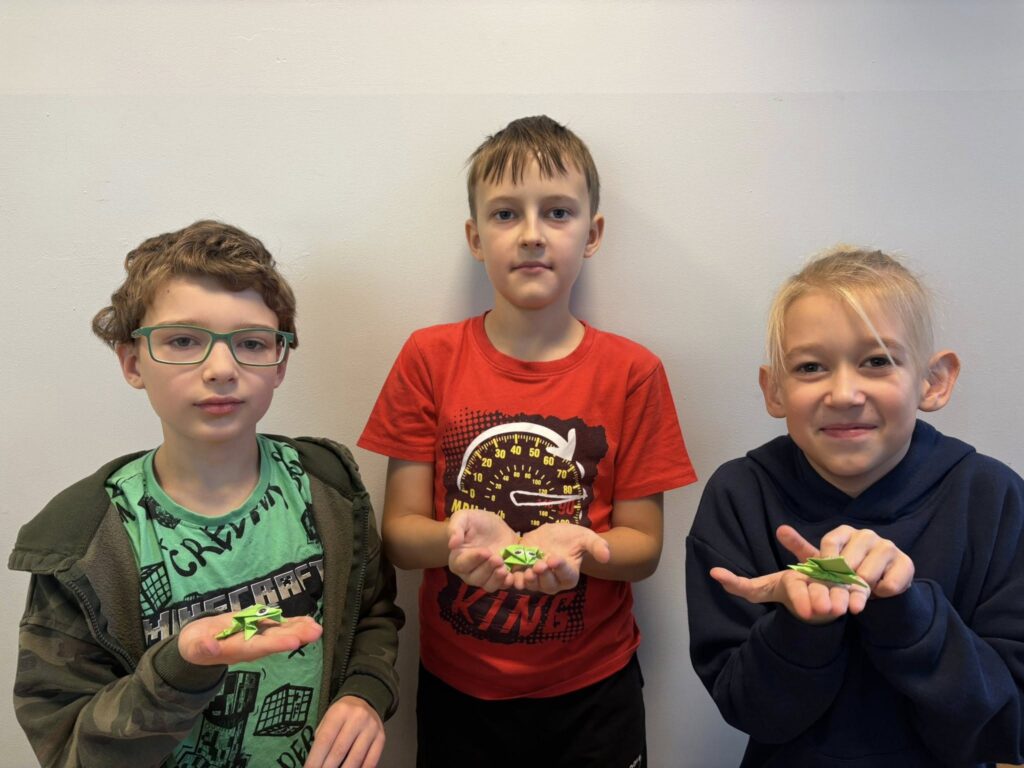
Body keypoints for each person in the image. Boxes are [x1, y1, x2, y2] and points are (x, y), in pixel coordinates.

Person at [358, 115, 697, 767]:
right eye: (506, 213)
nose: (533, 234)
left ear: (592, 234)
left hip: (595, 695)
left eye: (558, 212)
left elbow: (643, 548)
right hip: (460, 694)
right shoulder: (428, 359)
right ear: (475, 237)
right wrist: (456, 540)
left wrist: (581, 546)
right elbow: (399, 536)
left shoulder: (633, 373)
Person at [10, 221, 403, 768]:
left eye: (251, 343)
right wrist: (181, 667)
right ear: (132, 362)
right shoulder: (81, 543)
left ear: (280, 363)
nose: (221, 369)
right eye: (183, 341)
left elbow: (373, 615)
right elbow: (70, 749)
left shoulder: (329, 487)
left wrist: (364, 692)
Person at [686, 247, 1024, 767]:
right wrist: (801, 623)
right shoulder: (739, 496)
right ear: (775, 390)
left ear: (933, 381)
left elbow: (1006, 723)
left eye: (877, 361)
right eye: (811, 367)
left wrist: (906, 610)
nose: (844, 393)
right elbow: (748, 708)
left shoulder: (993, 499)